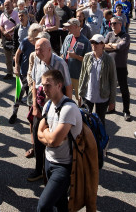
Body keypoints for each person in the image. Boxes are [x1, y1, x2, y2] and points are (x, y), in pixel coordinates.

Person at [36, 68, 84, 212]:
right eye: (43, 85)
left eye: (48, 85)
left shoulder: (69, 109)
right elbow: (38, 133)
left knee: (43, 206)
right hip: (48, 161)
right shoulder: (48, 105)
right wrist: (48, 136)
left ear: (59, 85)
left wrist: (46, 134)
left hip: (63, 166)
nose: (44, 89)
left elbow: (53, 141)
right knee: (60, 202)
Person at [27, 37, 71, 182]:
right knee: (37, 136)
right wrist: (34, 105)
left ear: (49, 50)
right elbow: (35, 83)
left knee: (55, 140)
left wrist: (67, 109)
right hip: (40, 106)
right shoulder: (37, 60)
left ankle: (53, 171)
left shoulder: (60, 63)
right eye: (35, 49)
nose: (37, 52)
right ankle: (38, 169)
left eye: (40, 50)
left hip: (55, 107)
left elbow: (68, 86)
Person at [77, 33, 117, 127]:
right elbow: (82, 75)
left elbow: (113, 80)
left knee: (100, 121)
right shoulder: (87, 57)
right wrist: (80, 93)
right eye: (92, 43)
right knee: (86, 120)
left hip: (102, 97)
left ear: (103, 45)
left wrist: (112, 101)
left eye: (96, 43)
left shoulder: (109, 60)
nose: (94, 45)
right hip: (88, 95)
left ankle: (100, 136)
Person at [104, 16, 132, 121]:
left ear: (120, 24)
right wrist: (113, 46)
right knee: (109, 88)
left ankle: (126, 111)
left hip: (121, 67)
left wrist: (110, 45)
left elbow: (121, 47)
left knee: (124, 90)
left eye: (115, 23)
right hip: (109, 66)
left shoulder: (125, 36)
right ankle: (111, 107)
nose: (112, 25)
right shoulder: (109, 34)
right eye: (111, 23)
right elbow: (103, 46)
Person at [60, 18, 89, 101]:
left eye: (69, 26)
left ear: (76, 27)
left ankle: (81, 109)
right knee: (65, 95)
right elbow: (62, 53)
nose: (67, 28)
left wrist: (76, 56)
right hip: (66, 73)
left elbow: (88, 60)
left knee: (80, 97)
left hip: (77, 75)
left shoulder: (85, 41)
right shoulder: (68, 37)